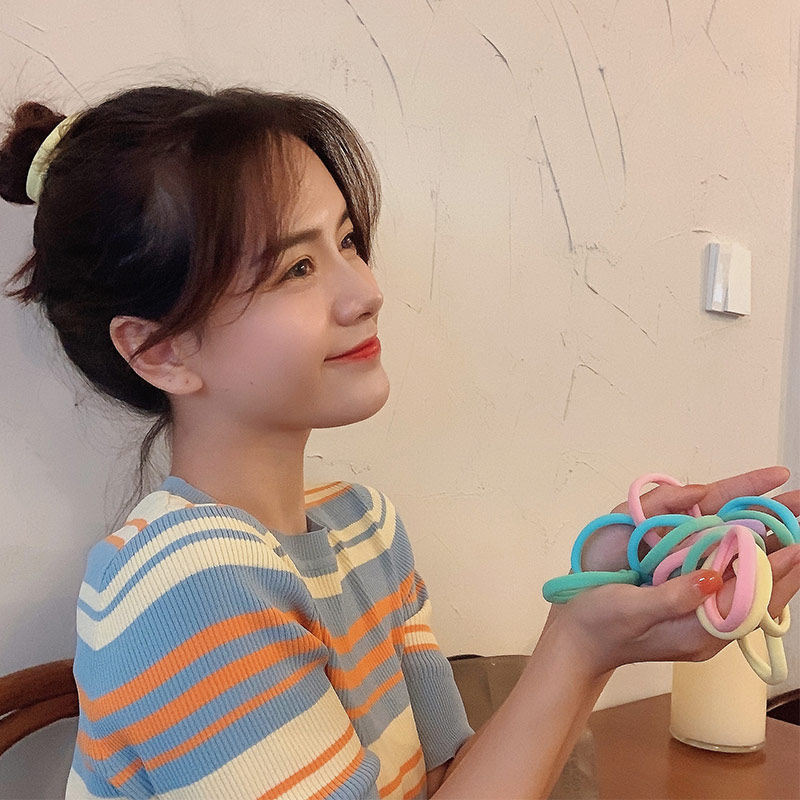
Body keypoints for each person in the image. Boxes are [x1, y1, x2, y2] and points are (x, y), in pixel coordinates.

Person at [1, 83, 799, 800]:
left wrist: (594, 614)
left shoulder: (366, 530)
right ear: (160, 351)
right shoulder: (180, 586)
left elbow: (449, 782)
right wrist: (579, 645)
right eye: (297, 267)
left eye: (347, 241)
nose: (366, 291)